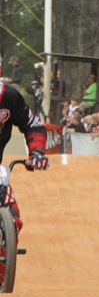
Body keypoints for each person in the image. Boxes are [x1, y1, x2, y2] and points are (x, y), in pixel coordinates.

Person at [0, 83, 49, 238]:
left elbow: (33, 124)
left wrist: (36, 152)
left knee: (11, 219)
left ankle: (5, 248)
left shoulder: (9, 96)